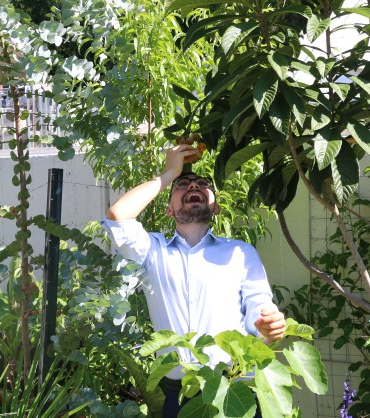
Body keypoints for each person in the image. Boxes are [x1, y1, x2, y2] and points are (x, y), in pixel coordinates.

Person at [101, 142, 286, 417]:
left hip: (234, 389)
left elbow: (259, 309)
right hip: (180, 394)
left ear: (216, 207)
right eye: (182, 185)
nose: (192, 186)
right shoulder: (152, 250)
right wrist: (168, 174)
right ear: (169, 210)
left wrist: (269, 325)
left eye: (202, 184)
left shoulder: (240, 252)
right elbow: (118, 216)